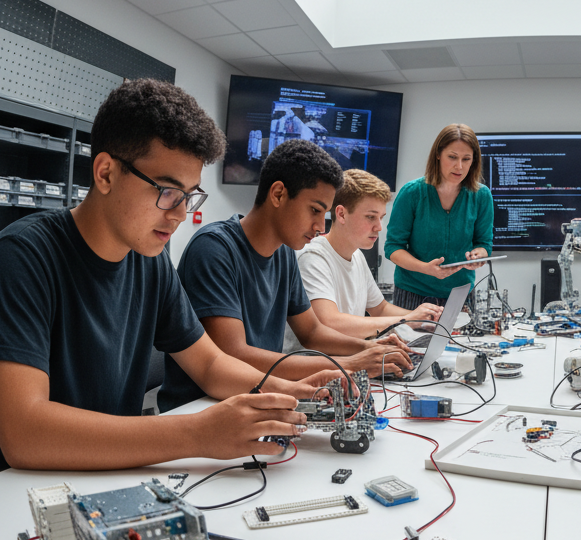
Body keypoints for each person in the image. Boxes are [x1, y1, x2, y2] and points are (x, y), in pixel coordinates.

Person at [0, 79, 337, 472]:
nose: (180, 213)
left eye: (190, 195)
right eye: (167, 190)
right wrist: (195, 434)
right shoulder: (24, 256)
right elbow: (23, 433)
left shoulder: (150, 259)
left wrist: (291, 394)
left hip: (109, 472)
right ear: (106, 173)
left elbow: (210, 365)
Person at [159, 140, 411, 411]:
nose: (319, 227)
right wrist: (348, 363)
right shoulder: (214, 249)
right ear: (278, 194)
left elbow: (312, 331)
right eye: (314, 210)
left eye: (324, 214)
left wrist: (366, 349)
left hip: (261, 397)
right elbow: (233, 354)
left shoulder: (284, 253)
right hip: (203, 407)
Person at [284, 169, 444, 350]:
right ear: (341, 214)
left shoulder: (357, 256)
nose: (379, 227)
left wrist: (420, 318)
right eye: (370, 217)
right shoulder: (313, 257)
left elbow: (380, 308)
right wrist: (406, 320)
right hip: (313, 368)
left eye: (381, 218)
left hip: (347, 362)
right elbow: (329, 322)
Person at [384, 123, 494, 308]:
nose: (459, 166)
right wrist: (425, 269)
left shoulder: (481, 196)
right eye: (452, 157)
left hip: (461, 294)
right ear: (438, 154)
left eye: (466, 159)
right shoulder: (412, 193)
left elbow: (484, 244)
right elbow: (393, 248)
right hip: (413, 293)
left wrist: (478, 256)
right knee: (411, 339)